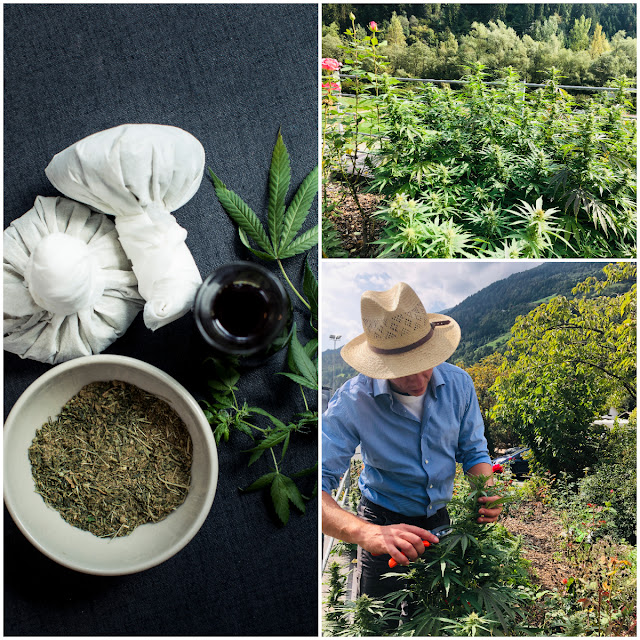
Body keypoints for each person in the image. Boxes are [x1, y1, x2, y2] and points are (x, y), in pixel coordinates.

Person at [322, 282, 502, 601]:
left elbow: (474, 452)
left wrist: (483, 491)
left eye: (424, 364)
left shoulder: (459, 385)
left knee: (437, 613)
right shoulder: (353, 400)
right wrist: (367, 533)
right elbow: (317, 485)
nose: (418, 380)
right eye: (404, 371)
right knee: (380, 620)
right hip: (382, 523)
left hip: (441, 524)